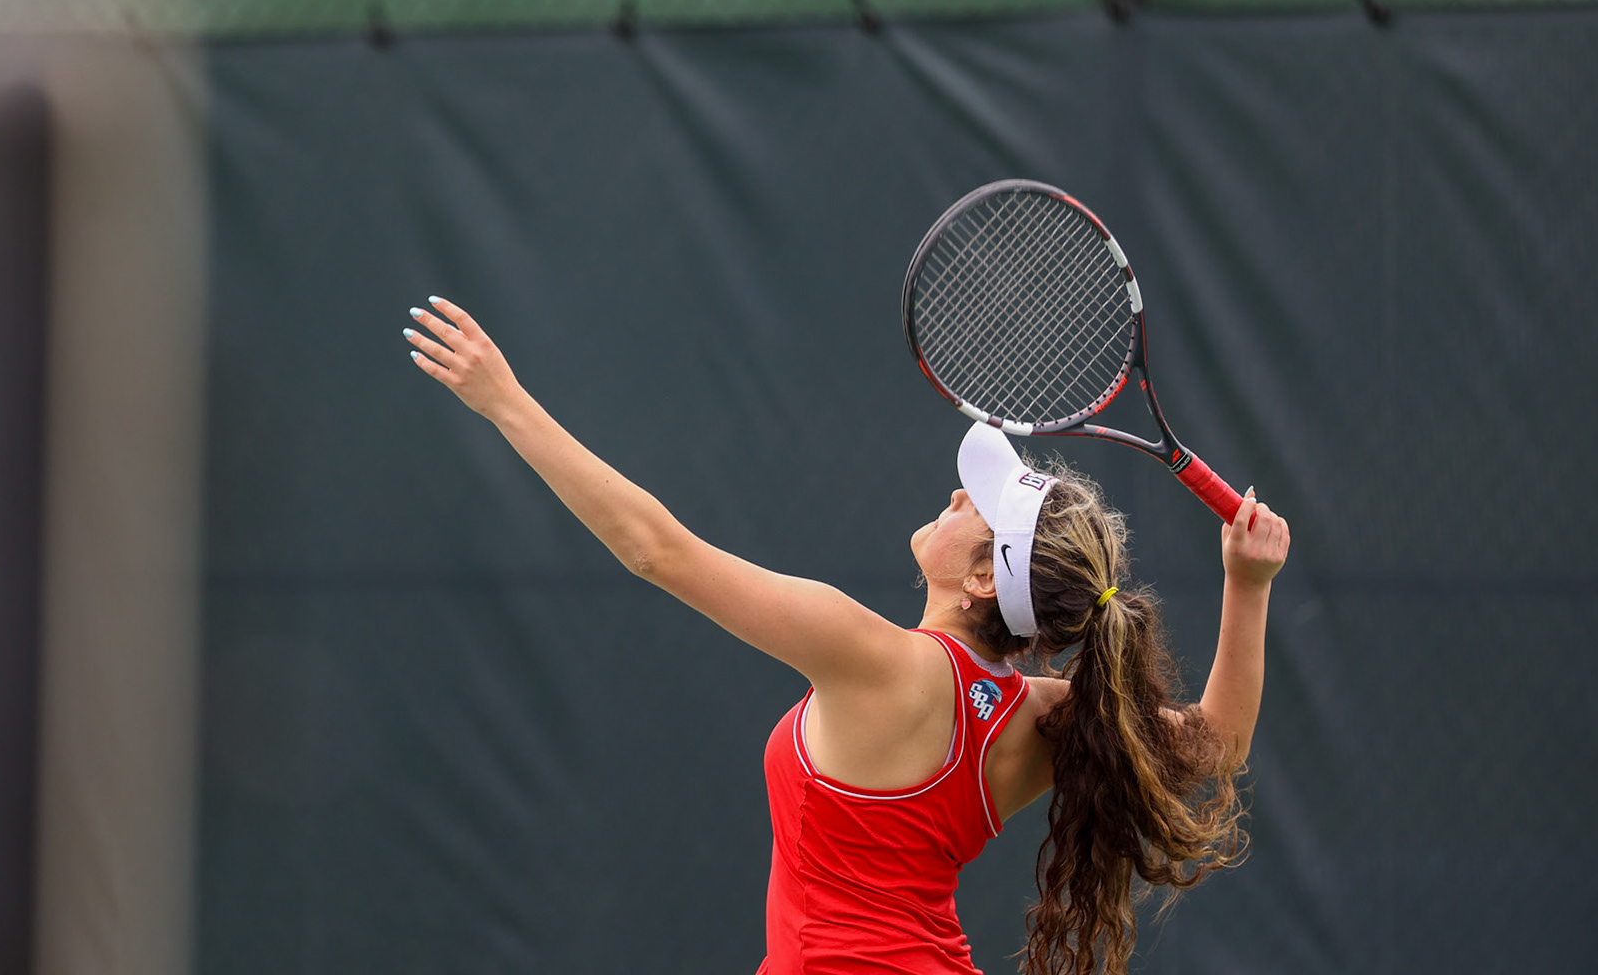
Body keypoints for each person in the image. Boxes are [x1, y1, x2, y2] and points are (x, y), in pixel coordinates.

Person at [404, 296, 1290, 975]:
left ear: (984, 577)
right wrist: (1247, 586)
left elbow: (653, 550)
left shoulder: (873, 656)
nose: (951, 496)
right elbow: (1220, 742)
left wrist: (505, 402)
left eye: (971, 503)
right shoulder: (1045, 717)